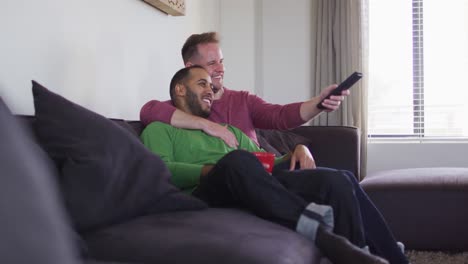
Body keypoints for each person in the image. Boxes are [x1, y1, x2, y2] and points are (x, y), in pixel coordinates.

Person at [141, 66, 393, 264]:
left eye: (211, 84)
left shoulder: (229, 131)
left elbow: (266, 162)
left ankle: (380, 255)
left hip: (247, 182)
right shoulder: (159, 129)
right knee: (238, 160)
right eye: (202, 83)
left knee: (337, 179)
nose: (211, 89)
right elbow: (160, 172)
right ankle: (317, 229)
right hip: (203, 194)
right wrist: (211, 170)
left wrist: (297, 149)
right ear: (180, 90)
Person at [140, 32, 348, 156]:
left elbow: (281, 116)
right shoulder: (182, 107)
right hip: (234, 180)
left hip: (264, 170)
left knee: (339, 180)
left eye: (221, 61)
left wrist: (319, 103)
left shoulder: (243, 100)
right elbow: (149, 111)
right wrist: (207, 124)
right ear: (190, 67)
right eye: (212, 63)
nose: (220, 69)